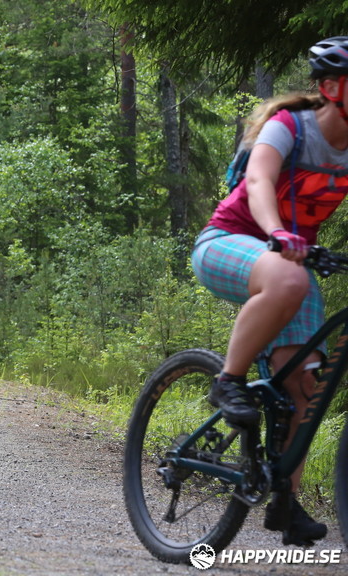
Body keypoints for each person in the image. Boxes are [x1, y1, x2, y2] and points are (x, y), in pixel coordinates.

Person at [192, 37, 348, 547]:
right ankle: (228, 380)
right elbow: (259, 182)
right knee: (289, 275)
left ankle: (284, 495)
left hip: (289, 266)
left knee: (305, 386)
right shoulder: (291, 128)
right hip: (228, 243)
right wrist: (277, 231)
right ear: (330, 88)